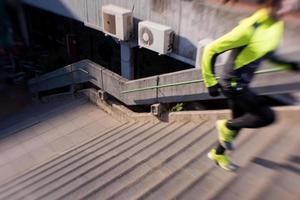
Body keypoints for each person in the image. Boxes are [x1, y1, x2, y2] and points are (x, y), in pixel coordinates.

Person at [201, 0, 299, 171]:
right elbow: (211, 49)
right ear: (272, 3)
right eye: (286, 4)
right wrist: (211, 82)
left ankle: (218, 153)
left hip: (242, 83)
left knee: (240, 120)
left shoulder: (276, 24)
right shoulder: (250, 27)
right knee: (266, 116)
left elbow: (267, 52)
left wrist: (289, 65)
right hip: (233, 84)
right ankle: (225, 126)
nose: (290, 9)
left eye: (293, 5)